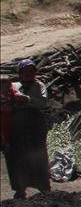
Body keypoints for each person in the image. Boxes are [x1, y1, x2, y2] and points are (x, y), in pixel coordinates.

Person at [7, 60, 51, 199]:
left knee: (38, 153)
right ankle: (19, 188)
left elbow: (43, 102)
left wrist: (27, 100)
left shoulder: (39, 85)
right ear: (20, 73)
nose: (29, 74)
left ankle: (43, 186)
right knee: (17, 155)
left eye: (32, 71)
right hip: (16, 124)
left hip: (35, 123)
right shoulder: (13, 86)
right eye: (26, 71)